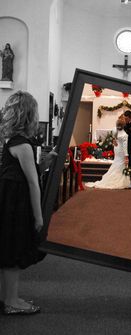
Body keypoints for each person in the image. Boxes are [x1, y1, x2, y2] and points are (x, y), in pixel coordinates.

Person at [0, 91, 57, 315]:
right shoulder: (23, 146)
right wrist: (39, 216)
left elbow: (28, 172)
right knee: (14, 250)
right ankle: (12, 301)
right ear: (29, 115)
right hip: (16, 203)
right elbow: (33, 183)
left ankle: (6, 297)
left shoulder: (13, 141)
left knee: (6, 247)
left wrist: (46, 162)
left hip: (8, 198)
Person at [85, 115, 130, 189]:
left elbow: (114, 137)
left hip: (116, 148)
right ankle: (119, 181)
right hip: (121, 150)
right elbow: (125, 147)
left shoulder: (114, 130)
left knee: (116, 163)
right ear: (124, 125)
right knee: (120, 164)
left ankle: (113, 177)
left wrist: (114, 141)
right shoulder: (125, 135)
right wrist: (126, 157)